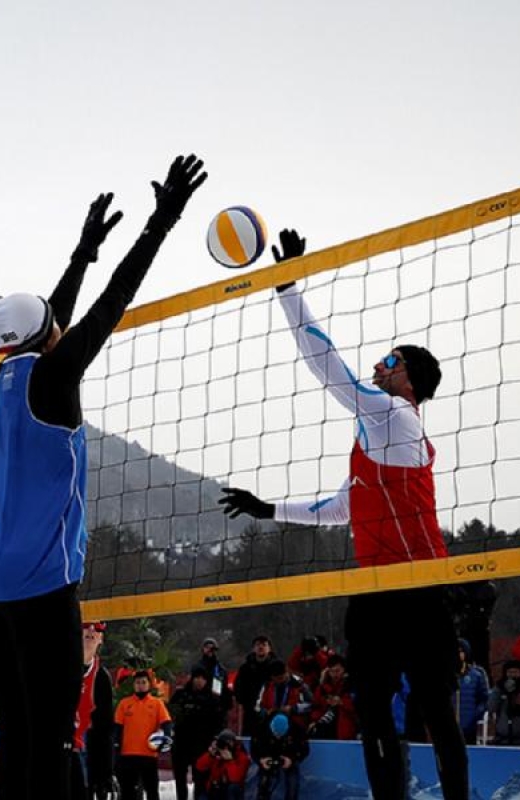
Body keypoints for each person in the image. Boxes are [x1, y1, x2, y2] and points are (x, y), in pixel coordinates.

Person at [0, 155, 207, 800]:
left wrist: (83, 250)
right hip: (39, 582)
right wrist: (161, 221)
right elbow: (109, 306)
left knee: (15, 733)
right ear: (49, 337)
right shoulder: (54, 375)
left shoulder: (2, 381)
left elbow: (55, 322)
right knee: (50, 736)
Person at [220, 228, 468, 800]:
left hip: (421, 586)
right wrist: (268, 507)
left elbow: (328, 368)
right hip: (376, 591)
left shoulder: (395, 418)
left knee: (438, 717)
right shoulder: (373, 440)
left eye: (389, 360)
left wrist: (287, 288)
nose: (378, 366)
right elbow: (339, 508)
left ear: (407, 379)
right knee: (376, 717)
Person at [114, 670, 174, 800]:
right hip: (128, 755)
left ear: (149, 685)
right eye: (137, 682)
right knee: (127, 791)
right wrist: (116, 747)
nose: (140, 685)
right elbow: (117, 727)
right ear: (133, 685)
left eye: (143, 682)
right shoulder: (124, 704)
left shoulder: (157, 704)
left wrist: (167, 736)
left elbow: (166, 723)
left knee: (152, 790)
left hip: (149, 755)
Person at [71, 622, 114, 800]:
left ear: (101, 639)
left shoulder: (102, 677)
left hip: (87, 749)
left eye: (97, 627)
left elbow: (105, 728)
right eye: (86, 625)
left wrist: (106, 772)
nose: (91, 630)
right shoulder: (59, 669)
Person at [169, 666, 226, 800]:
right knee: (180, 777)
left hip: (202, 744)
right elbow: (169, 714)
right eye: (197, 677)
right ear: (192, 678)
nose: (199, 681)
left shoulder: (212, 699)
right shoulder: (180, 695)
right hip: (181, 742)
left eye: (202, 678)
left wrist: (215, 740)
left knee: (200, 778)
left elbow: (220, 722)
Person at [250, 713, 309, 800]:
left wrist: (292, 759)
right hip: (267, 755)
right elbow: (253, 750)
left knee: (293, 782)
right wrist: (260, 760)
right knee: (263, 781)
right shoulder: (260, 728)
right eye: (276, 734)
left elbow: (305, 750)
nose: (278, 737)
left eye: (281, 735)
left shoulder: (297, 729)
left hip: (289, 755)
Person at [233, 635, 276, 735]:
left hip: (271, 711)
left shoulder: (276, 667)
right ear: (253, 648)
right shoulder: (245, 668)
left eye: (264, 645)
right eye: (258, 645)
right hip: (250, 712)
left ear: (269, 648)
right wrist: (244, 700)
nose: (261, 647)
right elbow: (238, 687)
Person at [254, 660, 312, 732]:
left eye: (282, 677)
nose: (281, 680)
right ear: (272, 677)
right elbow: (257, 706)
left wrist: (293, 709)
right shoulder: (267, 685)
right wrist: (266, 712)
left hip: (294, 725)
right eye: (278, 678)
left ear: (286, 672)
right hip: (271, 724)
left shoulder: (299, 684)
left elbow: (311, 705)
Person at [309, 654, 356, 740]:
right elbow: (316, 707)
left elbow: (357, 708)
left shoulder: (351, 686)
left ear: (344, 669)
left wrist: (341, 702)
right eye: (331, 671)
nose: (334, 675)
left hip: (346, 731)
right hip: (325, 730)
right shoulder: (322, 688)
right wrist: (314, 721)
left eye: (337, 671)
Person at [193, 730, 250, 800]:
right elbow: (199, 766)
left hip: (231, 791)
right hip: (215, 789)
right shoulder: (217, 753)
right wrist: (210, 755)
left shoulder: (242, 757)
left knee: (233, 787)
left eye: (229, 743)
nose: (226, 747)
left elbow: (235, 779)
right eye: (224, 743)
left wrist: (230, 761)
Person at [454, 639, 489, 744]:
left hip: (469, 728)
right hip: (448, 728)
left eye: (461, 651)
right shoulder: (444, 675)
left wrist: (475, 715)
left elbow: (484, 700)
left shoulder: (476, 675)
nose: (458, 654)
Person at [487, 660, 520, 745]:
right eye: (509, 672)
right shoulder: (499, 687)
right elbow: (491, 707)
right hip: (502, 738)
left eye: (515, 672)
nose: (512, 675)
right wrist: (500, 691)